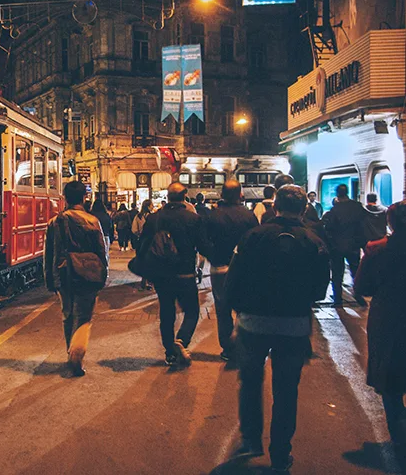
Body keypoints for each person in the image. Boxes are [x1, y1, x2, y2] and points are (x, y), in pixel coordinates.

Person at [225, 185, 330, 472]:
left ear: (274, 206)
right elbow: (321, 290)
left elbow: (233, 281)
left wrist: (237, 311)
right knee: (286, 390)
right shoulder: (313, 240)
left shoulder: (254, 236)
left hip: (253, 322)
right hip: (294, 325)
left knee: (250, 381)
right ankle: (281, 453)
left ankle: (250, 438)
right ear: (304, 209)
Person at [354, 198, 406, 464]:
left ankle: (399, 434)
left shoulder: (376, 250)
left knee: (389, 375)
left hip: (389, 317)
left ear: (390, 222)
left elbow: (362, 287)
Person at [138, 182, 212, 367]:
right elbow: (203, 246)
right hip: (185, 273)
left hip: (162, 274)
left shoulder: (154, 218)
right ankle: (182, 340)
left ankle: (170, 353)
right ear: (185, 196)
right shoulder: (192, 219)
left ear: (168, 196)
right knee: (192, 311)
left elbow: (143, 244)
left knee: (167, 311)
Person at [44, 181, 108, 377]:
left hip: (64, 275)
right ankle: (76, 356)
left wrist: (50, 280)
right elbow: (101, 251)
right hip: (88, 274)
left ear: (65, 198)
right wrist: (102, 275)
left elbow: (49, 254)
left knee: (67, 315)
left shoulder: (55, 222)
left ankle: (69, 352)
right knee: (84, 317)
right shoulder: (92, 221)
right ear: (84, 198)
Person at [205, 180, 259, 361]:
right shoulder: (249, 216)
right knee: (244, 307)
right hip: (245, 268)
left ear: (221, 194)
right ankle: (242, 343)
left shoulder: (214, 216)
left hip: (220, 267)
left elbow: (204, 241)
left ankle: (227, 348)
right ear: (240, 195)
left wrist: (212, 256)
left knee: (222, 308)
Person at [322, 184, 367, 306]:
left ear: (337, 194)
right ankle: (359, 296)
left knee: (337, 273)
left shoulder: (334, 210)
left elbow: (329, 228)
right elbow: (363, 226)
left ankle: (338, 300)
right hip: (353, 245)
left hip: (337, 246)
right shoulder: (357, 207)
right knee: (355, 271)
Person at [132, 199, 154, 290]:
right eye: (151, 205)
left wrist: (139, 235)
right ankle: (149, 282)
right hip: (151, 241)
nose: (153, 206)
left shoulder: (138, 216)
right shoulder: (153, 217)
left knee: (142, 260)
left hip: (141, 241)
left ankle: (143, 280)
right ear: (148, 206)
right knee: (151, 261)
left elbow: (134, 229)